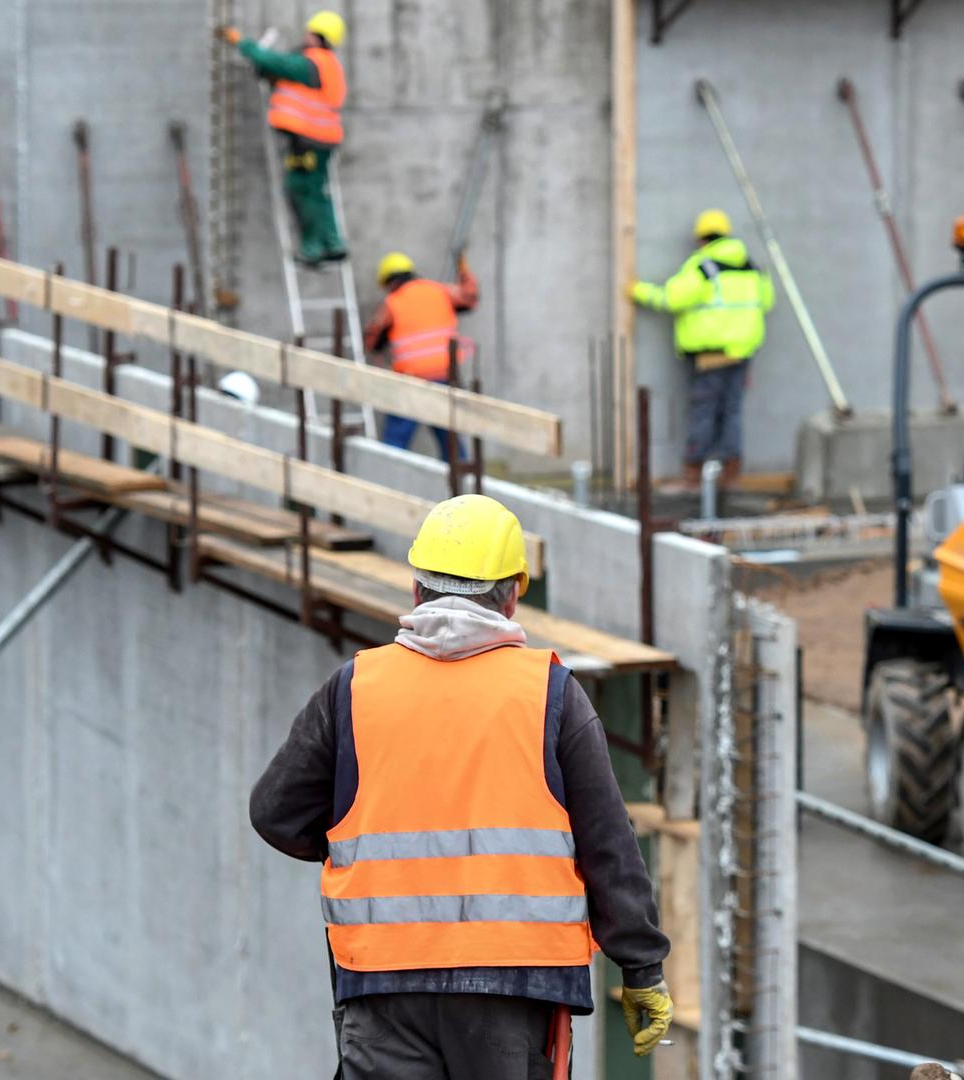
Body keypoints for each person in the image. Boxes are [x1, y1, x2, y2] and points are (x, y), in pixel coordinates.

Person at [250, 494, 674, 1079]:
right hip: (515, 988)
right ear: (512, 595)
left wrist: (368, 840)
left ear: (417, 591)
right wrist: (642, 967)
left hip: (382, 984)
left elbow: (275, 812)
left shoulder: (354, 689)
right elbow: (608, 845)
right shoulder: (549, 695)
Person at [630, 208, 774, 489]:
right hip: (742, 351)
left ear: (701, 239)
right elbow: (766, 301)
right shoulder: (751, 266)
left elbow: (673, 298)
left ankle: (693, 474)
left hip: (711, 354)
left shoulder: (704, 268)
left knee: (703, 411)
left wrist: (637, 291)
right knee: (731, 411)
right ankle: (730, 474)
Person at [218, 11, 348, 265]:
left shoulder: (311, 63)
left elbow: (273, 62)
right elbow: (284, 77)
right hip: (319, 138)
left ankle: (313, 248)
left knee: (301, 188)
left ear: (319, 36)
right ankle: (332, 242)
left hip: (309, 140)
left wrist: (241, 42)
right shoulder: (325, 64)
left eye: (310, 32)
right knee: (315, 190)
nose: (305, 36)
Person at [364, 250, 480, 461]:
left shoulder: (393, 302)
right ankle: (463, 486)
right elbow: (470, 297)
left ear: (388, 282)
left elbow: (372, 340)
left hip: (411, 381)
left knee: (395, 443)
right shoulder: (440, 291)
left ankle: (388, 482)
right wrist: (463, 268)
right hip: (445, 377)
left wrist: (378, 352)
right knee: (450, 440)